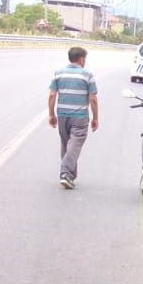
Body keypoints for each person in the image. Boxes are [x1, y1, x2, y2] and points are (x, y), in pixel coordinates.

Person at [46, 46, 99, 189]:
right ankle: (65, 173)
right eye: (85, 59)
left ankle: (69, 177)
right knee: (74, 145)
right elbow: (93, 98)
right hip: (80, 117)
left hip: (63, 115)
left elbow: (52, 95)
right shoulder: (87, 75)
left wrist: (51, 114)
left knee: (66, 145)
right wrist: (95, 118)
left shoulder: (58, 73)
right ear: (81, 59)